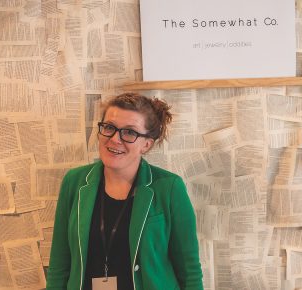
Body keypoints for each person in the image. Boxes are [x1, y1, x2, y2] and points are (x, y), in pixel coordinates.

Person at [46, 92, 203, 290]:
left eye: (129, 132)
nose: (114, 139)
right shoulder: (74, 182)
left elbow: (190, 272)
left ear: (146, 144)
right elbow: (59, 265)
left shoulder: (169, 187)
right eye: (109, 127)